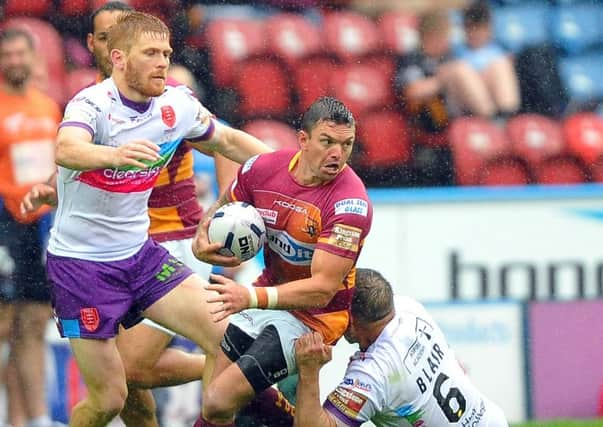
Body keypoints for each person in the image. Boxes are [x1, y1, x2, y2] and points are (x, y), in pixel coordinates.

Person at [41, 11, 272, 427]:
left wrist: (288, 169)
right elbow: (66, 149)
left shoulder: (175, 104)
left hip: (141, 256)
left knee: (227, 339)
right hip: (81, 266)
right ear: (119, 58)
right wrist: (113, 155)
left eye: (166, 52)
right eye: (150, 53)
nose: (162, 61)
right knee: (111, 397)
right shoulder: (92, 103)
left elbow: (228, 140)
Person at [191, 96, 373, 427]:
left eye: (346, 144)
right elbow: (222, 206)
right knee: (215, 408)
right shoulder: (262, 169)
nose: (337, 154)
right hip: (268, 294)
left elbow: (322, 289)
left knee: (219, 400)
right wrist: (202, 239)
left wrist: (250, 298)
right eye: (327, 142)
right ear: (303, 140)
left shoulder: (350, 204)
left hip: (315, 319)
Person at [294, 268, 509, 427]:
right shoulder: (408, 308)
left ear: (351, 320)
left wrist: (309, 371)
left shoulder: (373, 373)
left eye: (338, 307)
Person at [0, 28, 65, 427]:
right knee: (5, 324)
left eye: (20, 54)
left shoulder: (48, 107)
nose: (14, 62)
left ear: (33, 57)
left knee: (34, 323)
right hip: (3, 222)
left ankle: (32, 419)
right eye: (7, 56)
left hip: (40, 227)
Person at [395, 9, 500, 135]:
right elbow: (412, 91)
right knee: (458, 70)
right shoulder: (412, 58)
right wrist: (443, 79)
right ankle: (493, 121)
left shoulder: (447, 56)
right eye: (444, 37)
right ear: (431, 37)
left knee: (496, 65)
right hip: (430, 114)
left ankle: (501, 116)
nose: (447, 42)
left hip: (455, 107)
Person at [454, 0, 519, 117]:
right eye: (471, 28)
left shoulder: (497, 51)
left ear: (489, 29)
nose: (476, 33)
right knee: (460, 70)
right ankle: (492, 120)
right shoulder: (456, 51)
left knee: (501, 64)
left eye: (480, 28)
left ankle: (507, 118)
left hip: (495, 100)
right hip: (469, 105)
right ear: (464, 29)